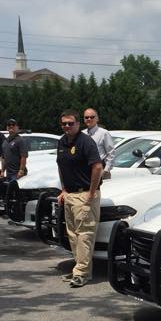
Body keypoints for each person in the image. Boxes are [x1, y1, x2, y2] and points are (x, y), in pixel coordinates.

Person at [56, 110, 103, 288]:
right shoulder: (62, 142)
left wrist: (91, 194)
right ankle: (81, 270)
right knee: (73, 236)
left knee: (84, 236)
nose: (67, 126)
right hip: (70, 195)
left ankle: (81, 273)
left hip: (85, 195)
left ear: (78, 124)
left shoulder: (86, 142)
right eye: (64, 124)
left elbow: (97, 167)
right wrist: (63, 190)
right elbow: (61, 166)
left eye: (70, 123)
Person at [82, 108, 116, 179]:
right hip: (85, 171)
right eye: (86, 117)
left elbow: (111, 153)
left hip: (100, 170)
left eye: (92, 117)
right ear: (84, 119)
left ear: (97, 119)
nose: (89, 119)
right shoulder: (82, 134)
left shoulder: (104, 133)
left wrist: (106, 170)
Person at [0, 118, 28, 183]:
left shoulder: (21, 140)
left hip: (17, 174)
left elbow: (23, 157)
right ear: (7, 128)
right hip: (8, 174)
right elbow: (3, 158)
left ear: (17, 127)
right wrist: (2, 171)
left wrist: (21, 170)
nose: (11, 126)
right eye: (9, 125)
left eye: (13, 125)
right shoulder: (5, 142)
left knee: (16, 192)